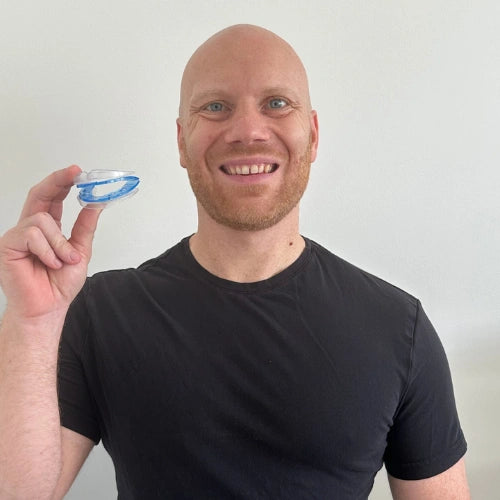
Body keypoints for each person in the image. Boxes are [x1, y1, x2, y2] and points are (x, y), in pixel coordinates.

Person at [0, 24, 470, 500]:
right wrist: (31, 322)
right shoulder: (101, 312)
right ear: (182, 142)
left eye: (276, 103)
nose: (247, 131)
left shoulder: (398, 328)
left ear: (312, 135)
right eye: (216, 107)